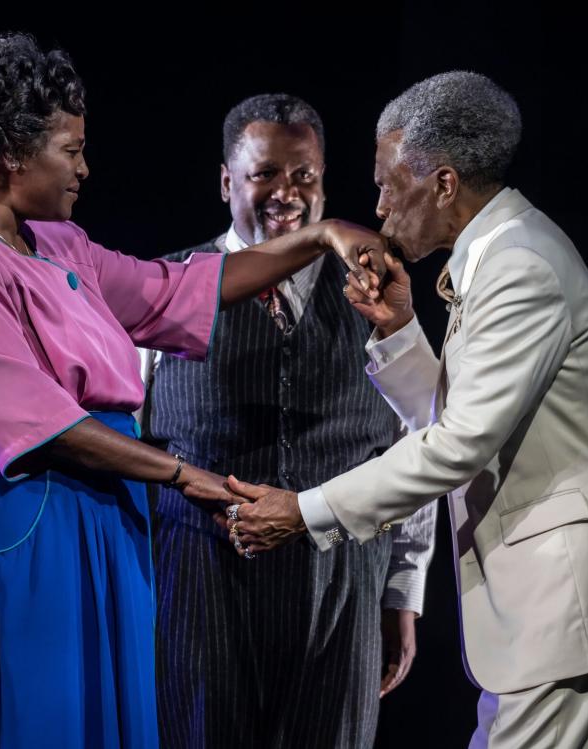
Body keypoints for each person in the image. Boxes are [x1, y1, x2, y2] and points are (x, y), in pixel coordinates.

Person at [0, 32, 386, 749]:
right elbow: (43, 425)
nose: (84, 168)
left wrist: (322, 237)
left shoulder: (59, 244)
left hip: (101, 513)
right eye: (69, 149)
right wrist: (188, 475)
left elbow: (182, 287)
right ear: (8, 151)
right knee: (33, 712)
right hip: (16, 517)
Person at [226, 71, 588, 748]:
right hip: (548, 604)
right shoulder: (498, 256)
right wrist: (400, 332)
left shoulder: (520, 266)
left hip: (571, 598)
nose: (379, 207)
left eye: (388, 183)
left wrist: (304, 511)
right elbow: (462, 422)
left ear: (444, 184)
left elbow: (458, 446)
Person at [141, 93, 437, 748]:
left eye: (304, 176)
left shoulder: (374, 289)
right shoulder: (167, 290)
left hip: (344, 585)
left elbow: (419, 441)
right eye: (264, 174)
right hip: (201, 583)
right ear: (226, 181)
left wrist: (403, 591)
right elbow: (126, 442)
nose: (287, 193)